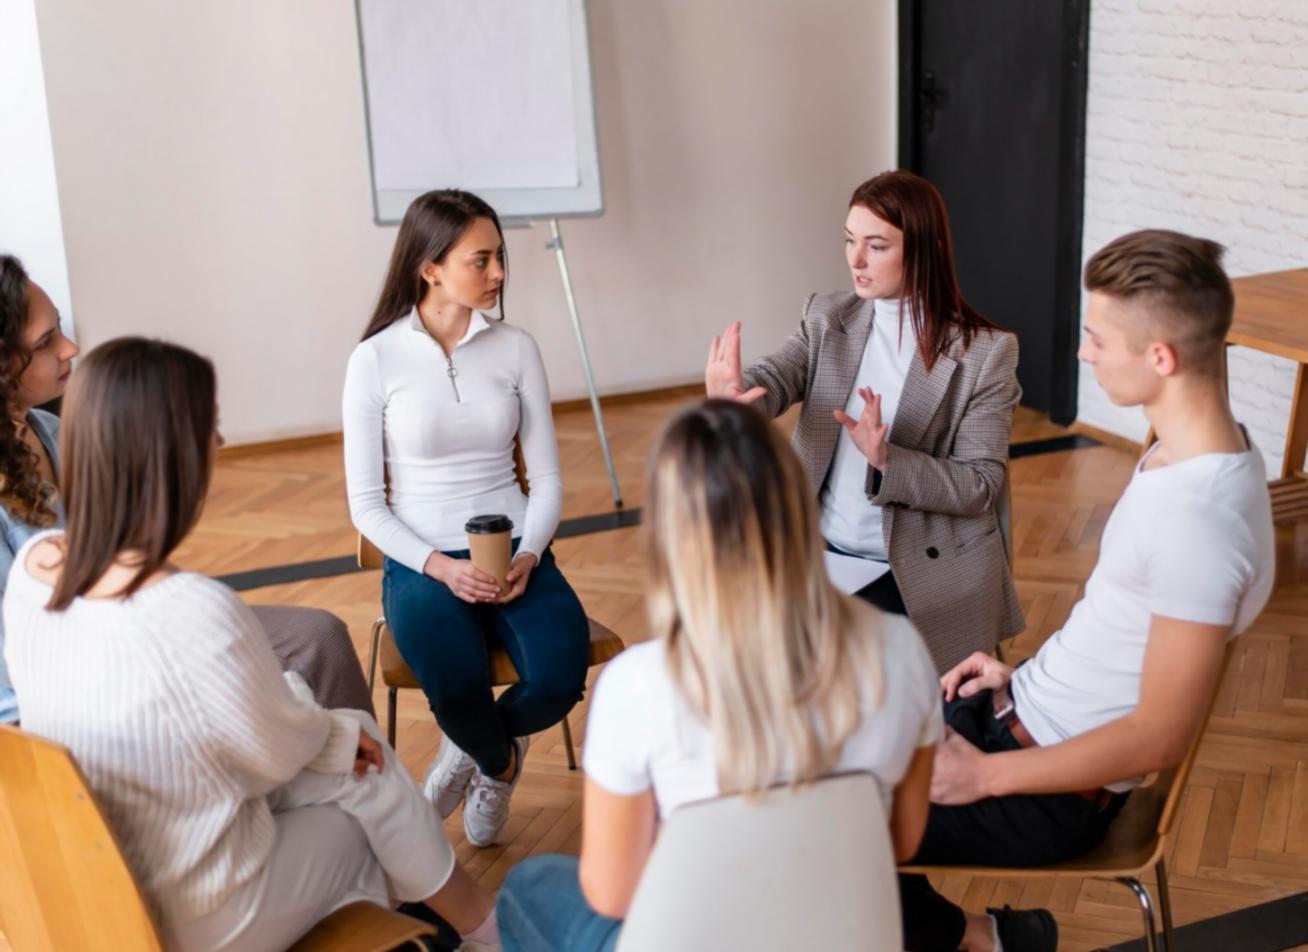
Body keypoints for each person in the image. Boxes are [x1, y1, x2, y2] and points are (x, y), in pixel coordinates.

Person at [4, 338, 499, 951]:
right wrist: (321, 719)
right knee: (367, 784)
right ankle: (476, 932)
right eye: (210, 426)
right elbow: (281, 749)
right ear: (172, 457)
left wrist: (331, 732)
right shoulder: (186, 607)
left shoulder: (30, 570)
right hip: (193, 909)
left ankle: (475, 929)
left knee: (354, 754)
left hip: (96, 870)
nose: (222, 443)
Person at [898, 230, 1276, 951]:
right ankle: (990, 938)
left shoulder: (1201, 521)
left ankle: (974, 938)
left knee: (811, 821)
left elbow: (1156, 736)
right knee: (808, 755)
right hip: (1022, 713)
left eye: (1097, 338)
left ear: (1159, 358)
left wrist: (983, 778)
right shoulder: (1188, 446)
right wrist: (1024, 677)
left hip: (1043, 791)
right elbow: (1121, 636)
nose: (1082, 353)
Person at [494, 399, 943, 951]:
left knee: (525, 887)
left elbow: (613, 895)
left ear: (668, 537)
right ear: (799, 511)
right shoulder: (901, 651)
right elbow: (900, 842)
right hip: (841, 935)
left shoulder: (639, 686)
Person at [0, 254, 372, 723]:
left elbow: (114, 563)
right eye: (47, 340)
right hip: (78, 698)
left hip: (132, 630)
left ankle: (358, 782)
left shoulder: (51, 431)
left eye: (60, 329)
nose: (70, 348)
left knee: (321, 638)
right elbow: (9, 696)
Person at [343, 189, 589, 847]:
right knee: (454, 687)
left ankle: (475, 749)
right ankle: (497, 761)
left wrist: (531, 552)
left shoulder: (516, 349)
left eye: (499, 257)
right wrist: (441, 568)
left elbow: (549, 479)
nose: (499, 273)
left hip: (514, 546)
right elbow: (365, 504)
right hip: (422, 555)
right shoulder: (375, 360)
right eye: (481, 260)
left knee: (561, 679)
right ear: (430, 267)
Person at [706, 170, 1023, 672]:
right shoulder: (828, 315)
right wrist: (741, 397)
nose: (855, 260)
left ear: (924, 250)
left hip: (922, 565)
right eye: (850, 240)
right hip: (819, 547)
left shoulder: (985, 352)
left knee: (844, 681)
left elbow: (981, 485)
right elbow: (781, 373)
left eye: (876, 246)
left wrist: (888, 460)